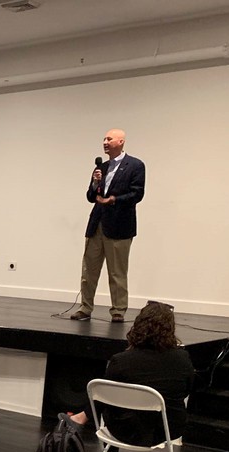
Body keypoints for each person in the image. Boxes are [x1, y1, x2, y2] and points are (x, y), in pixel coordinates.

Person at [68, 301, 194, 452]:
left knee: (109, 399)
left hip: (122, 431)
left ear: (139, 325)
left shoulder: (120, 361)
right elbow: (186, 391)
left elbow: (105, 398)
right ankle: (84, 419)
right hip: (165, 430)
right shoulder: (182, 360)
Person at [71, 129, 146, 323]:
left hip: (120, 227)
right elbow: (90, 196)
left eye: (109, 139)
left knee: (117, 272)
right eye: (104, 139)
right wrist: (95, 182)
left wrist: (113, 199)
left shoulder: (135, 165)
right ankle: (85, 308)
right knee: (89, 270)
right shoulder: (101, 168)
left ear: (121, 142)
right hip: (97, 225)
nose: (105, 142)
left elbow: (137, 194)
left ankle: (118, 311)